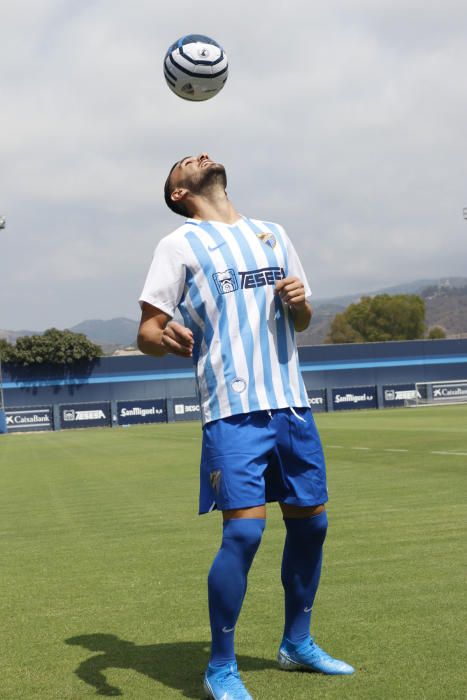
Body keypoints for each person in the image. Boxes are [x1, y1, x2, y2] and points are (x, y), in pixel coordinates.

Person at [137, 153, 354, 700]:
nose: (199, 157)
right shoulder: (179, 244)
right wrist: (164, 338)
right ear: (178, 193)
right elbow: (147, 329)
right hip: (232, 411)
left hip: (292, 405)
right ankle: (220, 666)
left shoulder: (272, 234)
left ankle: (297, 644)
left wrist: (301, 304)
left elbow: (301, 318)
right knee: (244, 532)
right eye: (185, 162)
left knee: (312, 526)